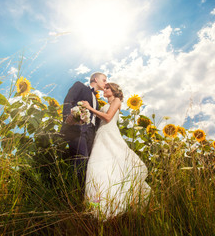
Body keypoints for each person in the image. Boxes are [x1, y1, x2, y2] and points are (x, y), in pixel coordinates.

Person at [81, 83, 151, 220]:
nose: (104, 90)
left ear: (113, 91)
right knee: (98, 169)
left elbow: (107, 118)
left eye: (107, 88)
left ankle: (115, 206)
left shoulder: (117, 101)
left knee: (114, 167)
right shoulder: (105, 104)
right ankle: (97, 207)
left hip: (109, 134)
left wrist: (89, 108)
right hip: (101, 136)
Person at [60, 72, 107, 192]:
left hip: (91, 134)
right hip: (77, 128)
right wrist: (68, 117)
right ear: (96, 79)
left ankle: (84, 196)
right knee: (81, 160)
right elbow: (68, 101)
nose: (106, 83)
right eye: (104, 80)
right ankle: (74, 195)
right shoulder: (80, 86)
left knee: (88, 164)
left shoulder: (96, 100)